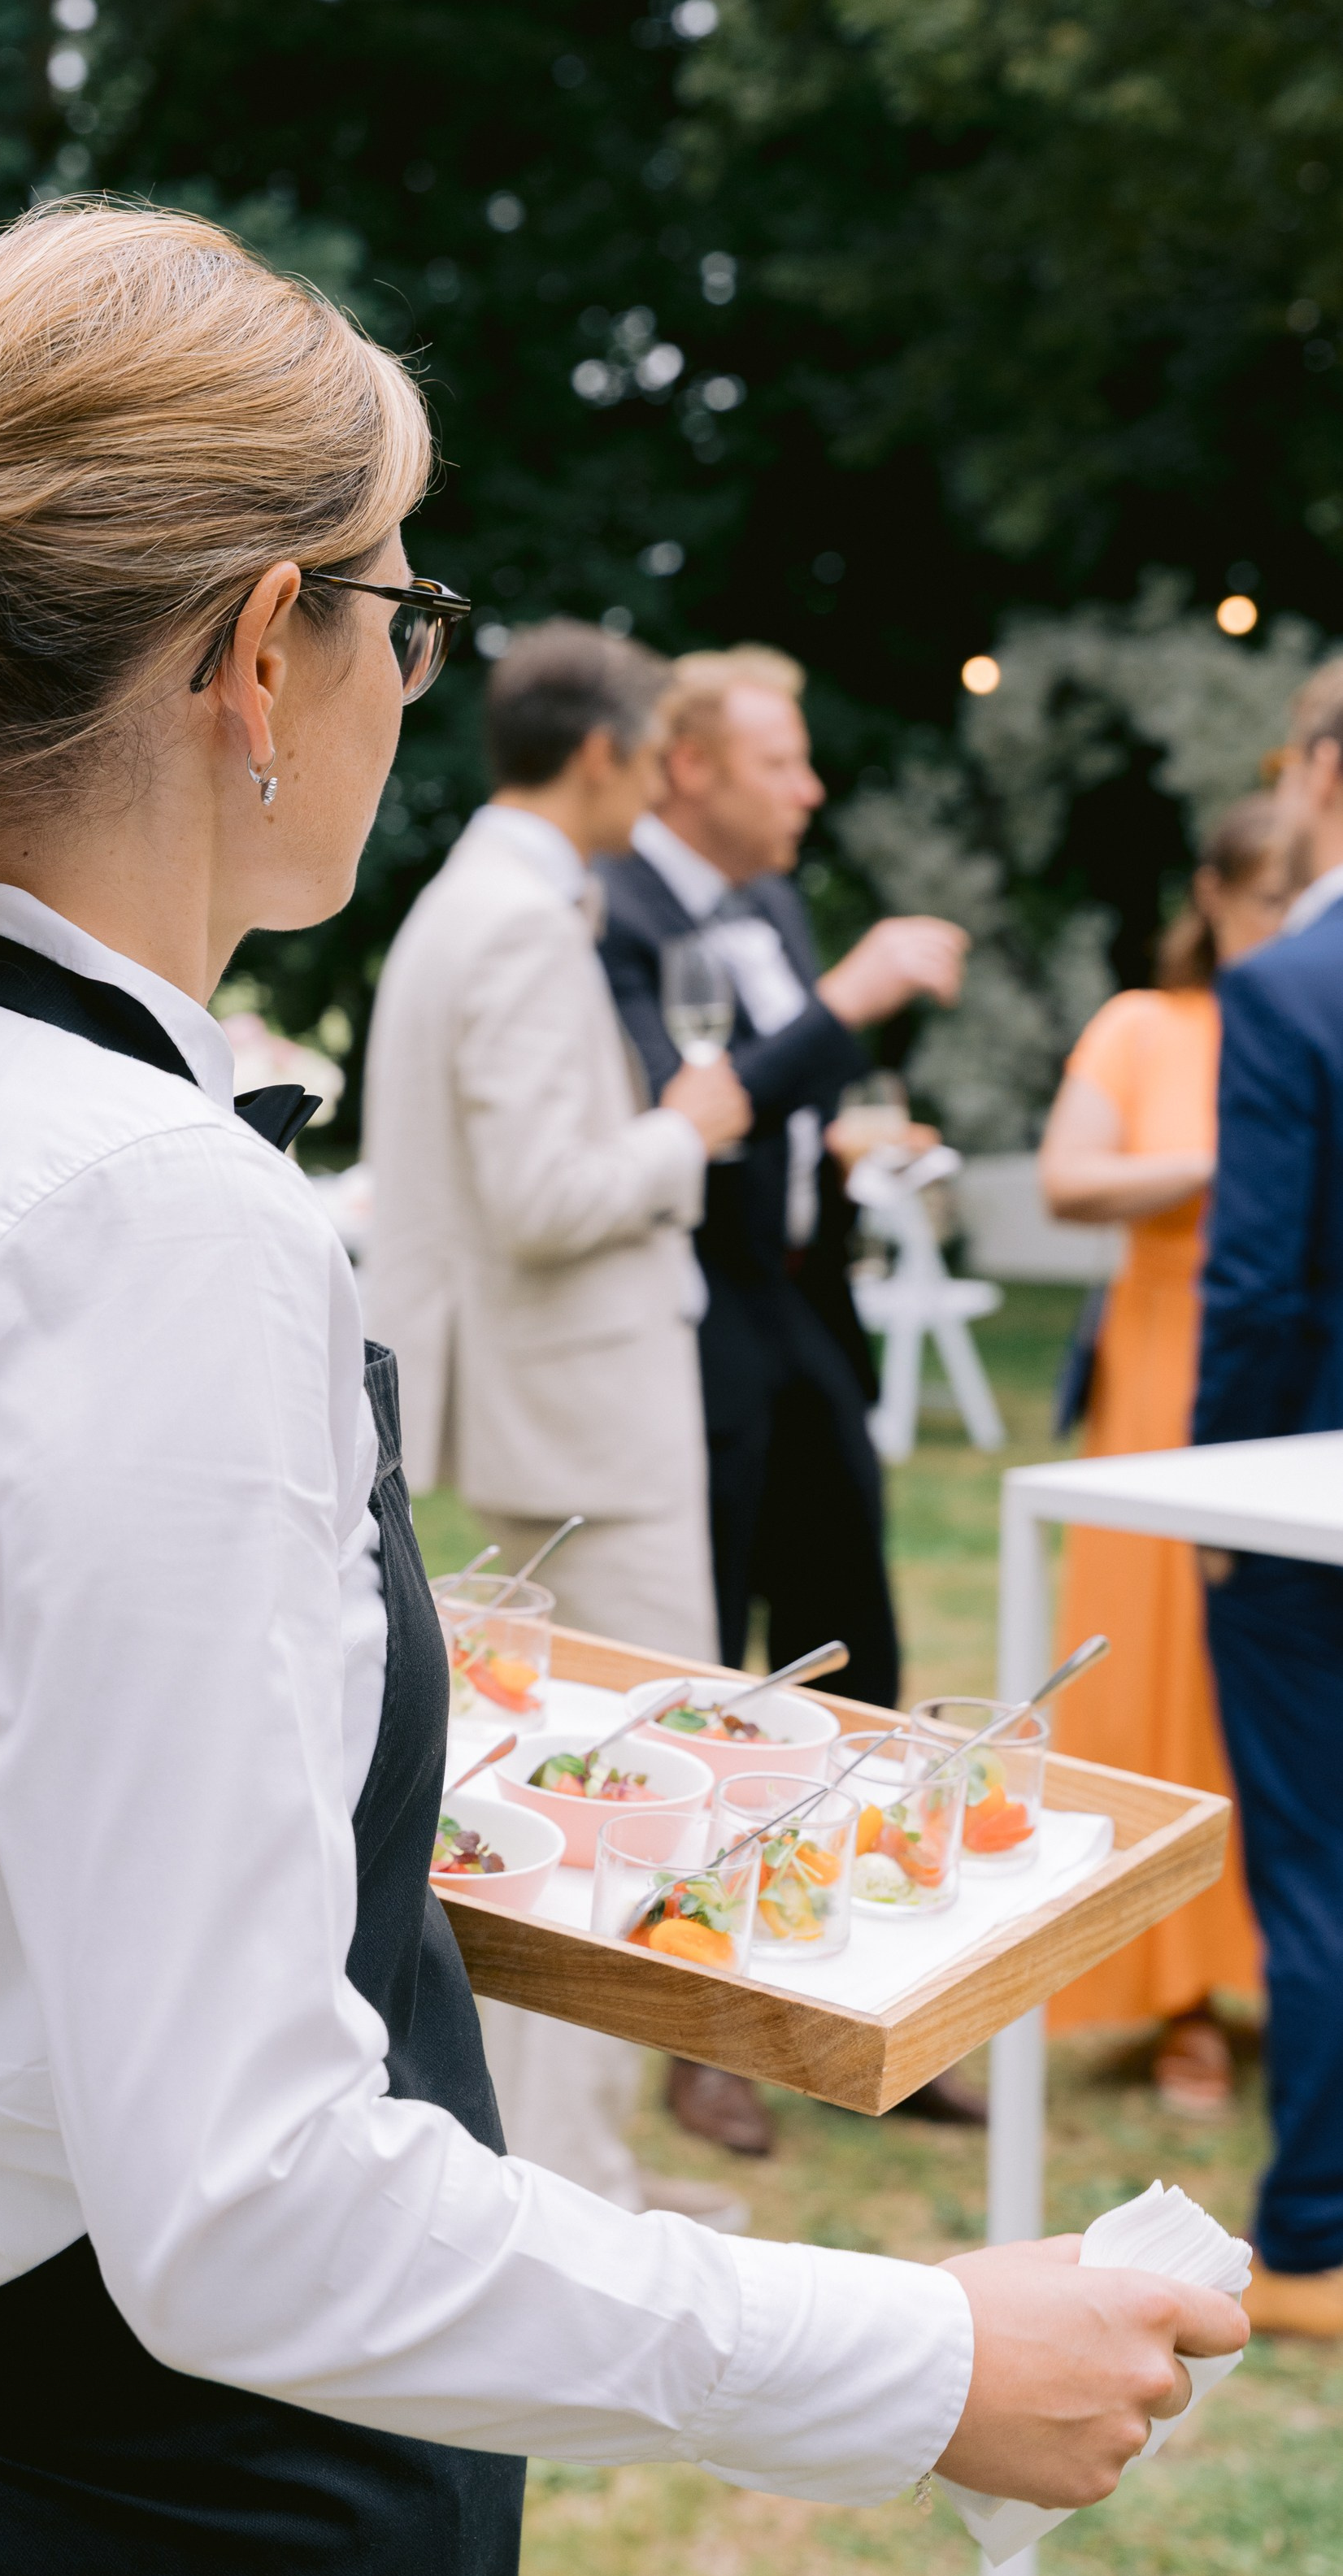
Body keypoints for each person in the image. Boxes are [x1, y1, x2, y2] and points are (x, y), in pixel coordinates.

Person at [0, 203, 1242, 2576]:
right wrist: (923, 2351)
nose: (401, 674)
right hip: (177, 2513)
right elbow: (248, 2208)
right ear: (256, 649)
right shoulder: (132, 1204)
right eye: (394, 606)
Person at [363, 620, 749, 2215]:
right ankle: (569, 2185)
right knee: (642, 1798)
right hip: (584, 1418)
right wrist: (681, 1132)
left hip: (536, 1403)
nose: (664, 781)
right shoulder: (516, 923)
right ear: (596, 753)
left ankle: (543, 2159)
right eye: (656, 750)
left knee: (569, 1788)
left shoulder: (476, 900)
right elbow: (539, 1197)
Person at [597, 646, 974, 2153]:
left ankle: (859, 1990)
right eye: (779, 760)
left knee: (851, 1649)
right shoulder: (615, 911)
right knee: (717, 1673)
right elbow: (675, 1116)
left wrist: (840, 1150)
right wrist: (855, 997)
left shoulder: (767, 906)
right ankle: (701, 2033)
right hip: (699, 1328)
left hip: (808, 1312)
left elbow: (774, 1103)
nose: (809, 785)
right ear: (687, 767)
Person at [1037, 797, 1289, 2109]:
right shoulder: (1145, 1024)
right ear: (1212, 897)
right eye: (1257, 899)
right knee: (1158, 1683)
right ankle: (1174, 1990)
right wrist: (1214, 1161)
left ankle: (1279, 1973)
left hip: (1299, 1378)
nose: (1278, 924)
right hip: (1162, 1378)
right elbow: (1067, 1177)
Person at [1193, 658, 1343, 2339]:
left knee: (1311, 1859)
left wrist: (1213, 1497)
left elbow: (1253, 1286)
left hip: (1305, 1482)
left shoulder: (1294, 987)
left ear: (1314, 770)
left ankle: (1308, 2233)